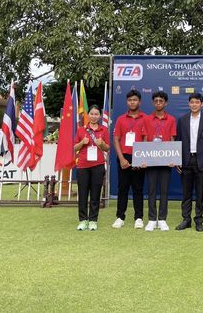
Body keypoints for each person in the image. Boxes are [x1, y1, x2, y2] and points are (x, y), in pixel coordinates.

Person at [175, 93, 203, 232]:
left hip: (202, 161)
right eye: (191, 102)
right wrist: (177, 160)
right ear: (188, 104)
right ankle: (186, 219)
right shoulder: (182, 120)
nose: (194, 104)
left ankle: (198, 220)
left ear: (202, 104)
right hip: (186, 161)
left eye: (197, 102)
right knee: (186, 193)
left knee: (200, 193)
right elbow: (178, 141)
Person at [112, 89, 148, 229]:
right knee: (123, 188)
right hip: (124, 156)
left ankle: (138, 218)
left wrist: (141, 158)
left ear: (139, 102)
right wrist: (121, 159)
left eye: (135, 100)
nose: (132, 102)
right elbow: (116, 139)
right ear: (127, 102)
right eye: (130, 100)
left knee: (138, 188)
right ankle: (120, 217)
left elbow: (145, 138)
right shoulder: (121, 119)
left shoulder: (145, 118)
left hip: (139, 155)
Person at [144, 91, 177, 232]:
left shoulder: (171, 120)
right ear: (153, 103)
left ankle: (162, 219)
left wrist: (172, 159)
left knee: (164, 191)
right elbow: (145, 139)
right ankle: (152, 219)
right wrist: (144, 158)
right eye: (156, 100)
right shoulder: (147, 119)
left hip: (165, 161)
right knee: (151, 190)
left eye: (161, 101)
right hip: (151, 161)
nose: (158, 103)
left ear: (165, 103)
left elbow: (172, 139)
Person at [73, 105, 110, 231]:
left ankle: (93, 220)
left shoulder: (104, 130)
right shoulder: (81, 130)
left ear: (99, 116)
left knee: (95, 194)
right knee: (83, 194)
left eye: (96, 114)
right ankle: (83, 220)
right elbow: (74, 148)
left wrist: (102, 144)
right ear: (88, 115)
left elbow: (107, 148)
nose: (94, 116)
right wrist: (82, 143)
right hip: (83, 166)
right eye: (92, 114)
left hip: (98, 166)